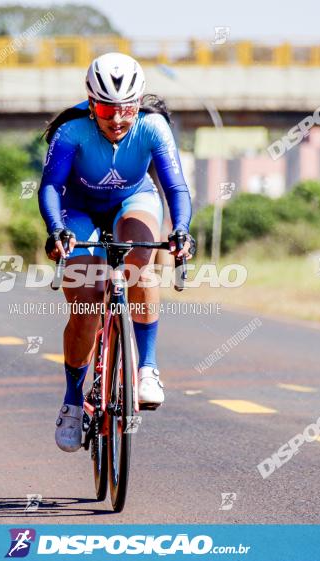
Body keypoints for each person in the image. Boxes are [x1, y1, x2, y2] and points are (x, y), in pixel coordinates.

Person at [38, 52, 194, 452]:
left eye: (126, 108)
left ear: (137, 103)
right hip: (79, 208)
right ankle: (74, 402)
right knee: (87, 302)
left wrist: (180, 229)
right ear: (91, 103)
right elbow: (51, 187)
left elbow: (174, 188)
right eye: (107, 108)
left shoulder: (153, 126)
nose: (118, 119)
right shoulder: (71, 130)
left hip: (134, 200)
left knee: (141, 266)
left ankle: (147, 368)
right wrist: (56, 229)